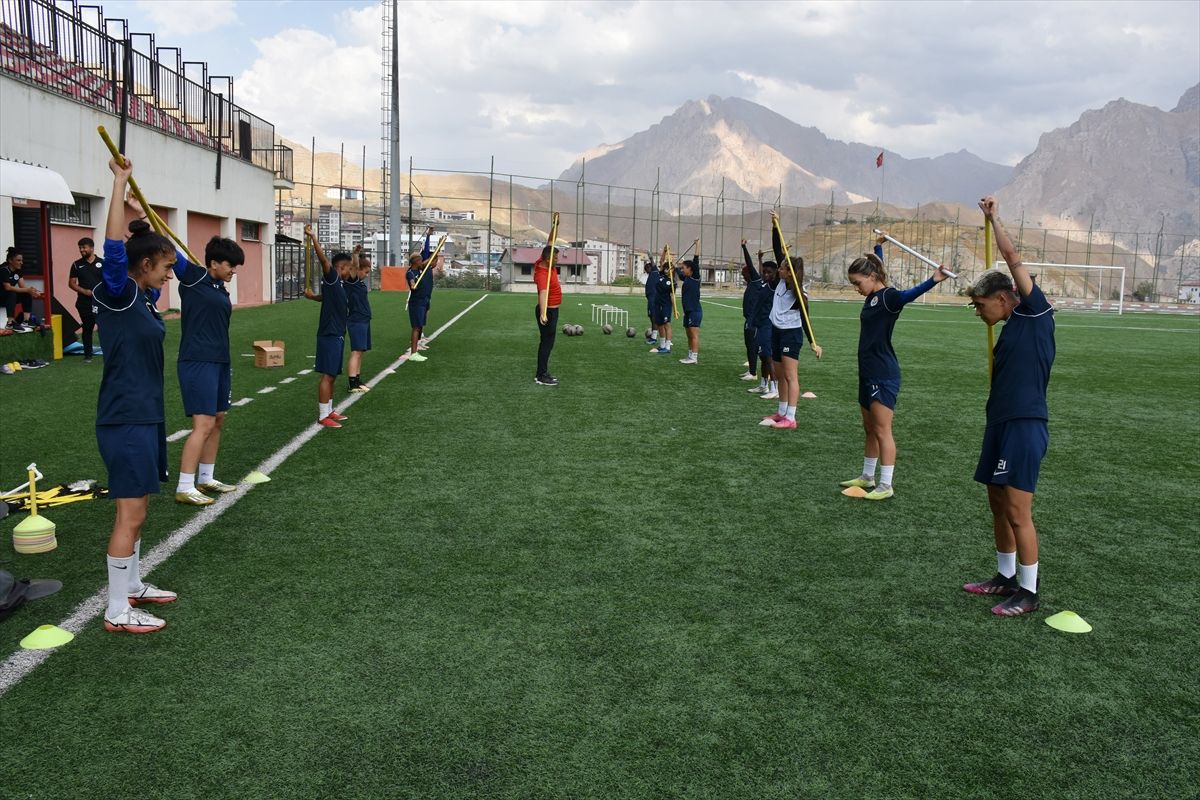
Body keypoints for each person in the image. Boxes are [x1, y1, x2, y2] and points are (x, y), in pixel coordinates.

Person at [94, 156, 177, 633]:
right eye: (164, 267)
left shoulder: (142, 299)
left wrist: (136, 214)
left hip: (144, 415)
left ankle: (133, 585)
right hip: (124, 418)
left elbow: (133, 243)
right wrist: (119, 182)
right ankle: (116, 610)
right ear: (144, 266)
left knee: (141, 505)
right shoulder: (121, 293)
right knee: (132, 511)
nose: (168, 276)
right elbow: (114, 251)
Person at [962, 196, 1056, 617]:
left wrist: (992, 217)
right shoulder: (1008, 329)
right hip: (999, 423)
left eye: (980, 305)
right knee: (997, 504)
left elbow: (1012, 256)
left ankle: (1029, 592)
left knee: (1018, 510)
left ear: (1003, 298)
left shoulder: (1035, 313)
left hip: (1024, 424)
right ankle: (1004, 577)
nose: (978, 312)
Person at [839, 233, 950, 501]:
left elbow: (909, 295)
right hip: (866, 372)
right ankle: (867, 476)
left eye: (858, 283)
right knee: (869, 428)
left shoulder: (889, 297)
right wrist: (879, 246)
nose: (857, 288)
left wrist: (934, 279)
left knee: (882, 429)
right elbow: (878, 266)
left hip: (883, 373)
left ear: (872, 278)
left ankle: (886, 485)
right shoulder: (874, 296)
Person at [171, 231, 244, 506]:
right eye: (230, 265)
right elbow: (168, 250)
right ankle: (185, 486)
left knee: (218, 419)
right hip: (197, 360)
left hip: (220, 360)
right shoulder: (192, 277)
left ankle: (205, 478)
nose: (233, 271)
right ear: (214, 262)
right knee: (202, 425)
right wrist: (141, 214)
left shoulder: (218, 287)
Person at [760, 211, 821, 430]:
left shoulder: (798, 292)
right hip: (776, 331)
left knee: (789, 375)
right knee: (778, 373)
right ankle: (782, 411)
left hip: (791, 334)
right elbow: (778, 249)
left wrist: (813, 342)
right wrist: (775, 226)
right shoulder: (780, 282)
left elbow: (805, 318)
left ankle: (791, 418)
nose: (779, 268)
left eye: (783, 267)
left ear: (790, 272)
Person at [303, 225, 351, 428]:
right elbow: (323, 261)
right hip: (329, 334)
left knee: (332, 375)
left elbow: (327, 299)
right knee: (328, 375)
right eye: (349, 268)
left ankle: (329, 410)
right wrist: (313, 237)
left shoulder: (338, 284)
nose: (351, 271)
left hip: (337, 334)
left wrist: (313, 297)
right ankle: (323, 415)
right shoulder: (332, 277)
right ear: (341, 268)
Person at [68, 237, 103, 362]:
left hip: (101, 303)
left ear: (92, 248)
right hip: (84, 303)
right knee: (87, 328)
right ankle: (88, 356)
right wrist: (85, 292)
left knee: (104, 328)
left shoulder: (102, 263)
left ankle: (109, 352)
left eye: (84, 247)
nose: (81, 250)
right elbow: (71, 283)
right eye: (80, 248)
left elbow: (109, 282)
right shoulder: (76, 264)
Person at [533, 243, 561, 386]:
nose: (558, 259)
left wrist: (554, 225)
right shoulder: (543, 274)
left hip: (552, 310)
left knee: (547, 343)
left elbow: (550, 242)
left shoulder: (544, 262)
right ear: (548, 259)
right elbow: (543, 293)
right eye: (556, 258)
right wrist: (543, 313)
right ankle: (541, 375)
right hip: (548, 311)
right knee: (546, 344)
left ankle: (542, 372)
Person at [345, 244, 372, 391]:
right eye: (366, 272)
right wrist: (355, 254)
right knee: (356, 351)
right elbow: (354, 267)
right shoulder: (352, 281)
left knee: (360, 351)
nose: (367, 275)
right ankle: (352, 382)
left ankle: (357, 378)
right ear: (358, 270)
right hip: (356, 320)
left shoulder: (359, 283)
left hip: (364, 320)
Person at [405, 228, 434, 362]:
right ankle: (414, 353)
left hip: (423, 301)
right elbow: (412, 283)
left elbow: (428, 254)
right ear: (415, 261)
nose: (422, 260)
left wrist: (429, 236)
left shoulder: (422, 270)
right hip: (416, 303)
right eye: (420, 259)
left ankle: (417, 349)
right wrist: (413, 285)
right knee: (416, 327)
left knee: (420, 326)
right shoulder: (411, 272)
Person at [1, 247, 42, 331]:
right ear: (10, 260)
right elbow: (7, 287)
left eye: (21, 260)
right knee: (11, 293)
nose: (21, 263)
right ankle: (10, 323)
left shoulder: (18, 271)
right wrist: (27, 290)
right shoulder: (3, 270)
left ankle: (26, 321)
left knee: (26, 293)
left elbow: (23, 287)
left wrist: (32, 291)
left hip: (7, 297)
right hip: (2, 296)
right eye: (18, 260)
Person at [738, 240, 760, 381]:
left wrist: (744, 247)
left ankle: (753, 373)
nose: (743, 276)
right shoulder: (752, 283)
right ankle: (751, 370)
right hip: (748, 319)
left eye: (744, 274)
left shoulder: (756, 281)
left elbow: (750, 265)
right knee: (748, 345)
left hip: (755, 320)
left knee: (753, 346)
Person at [677, 241, 702, 364]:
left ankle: (694, 357)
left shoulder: (695, 276)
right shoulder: (686, 278)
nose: (683, 270)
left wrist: (697, 244)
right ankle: (690, 355)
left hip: (694, 310)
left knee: (694, 334)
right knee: (688, 334)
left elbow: (696, 258)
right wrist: (674, 267)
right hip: (687, 311)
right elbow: (678, 273)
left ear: (690, 269)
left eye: (684, 268)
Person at [650, 261, 674, 354]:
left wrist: (675, 309)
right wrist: (664, 252)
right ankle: (662, 345)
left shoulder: (672, 282)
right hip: (657, 304)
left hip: (666, 305)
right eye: (667, 268)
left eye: (670, 269)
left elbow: (672, 296)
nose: (668, 270)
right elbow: (661, 260)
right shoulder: (660, 275)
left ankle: (667, 347)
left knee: (667, 324)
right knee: (659, 324)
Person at [643, 260, 659, 345]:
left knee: (654, 318)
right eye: (645, 268)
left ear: (651, 267)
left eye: (647, 268)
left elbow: (653, 263)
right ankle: (654, 336)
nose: (646, 269)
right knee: (652, 318)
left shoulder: (655, 272)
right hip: (650, 300)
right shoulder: (651, 275)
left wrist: (650, 257)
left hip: (654, 300)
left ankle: (654, 337)